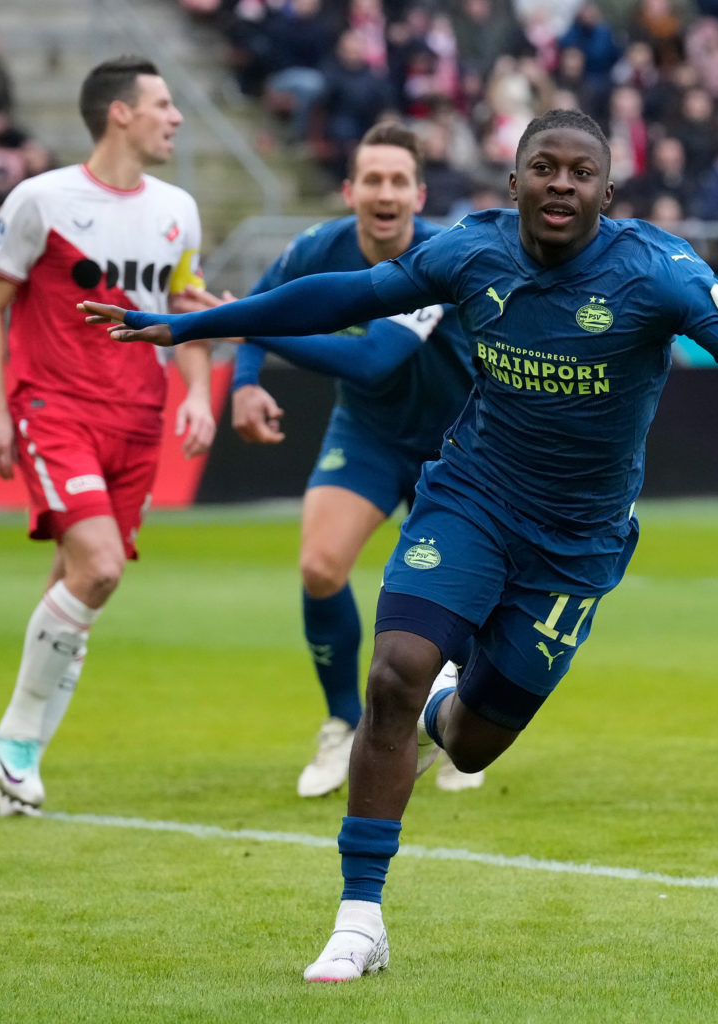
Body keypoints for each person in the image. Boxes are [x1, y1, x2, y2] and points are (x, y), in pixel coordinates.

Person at [82, 108, 718, 983]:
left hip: (578, 542)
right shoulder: (471, 251)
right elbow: (350, 298)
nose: (561, 184)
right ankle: (358, 918)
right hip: (472, 498)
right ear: (514, 179)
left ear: (610, 193)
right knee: (394, 670)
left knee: (472, 744)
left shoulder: (659, 273)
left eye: (582, 173)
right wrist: (192, 324)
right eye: (545, 168)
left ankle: (456, 701)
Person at [0, 55, 215, 816]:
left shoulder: (179, 209)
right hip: (57, 409)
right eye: (163, 104)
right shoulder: (42, 200)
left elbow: (186, 309)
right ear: (120, 112)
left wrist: (200, 393)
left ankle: (18, 773)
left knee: (77, 581)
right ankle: (14, 739)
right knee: (100, 568)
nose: (176, 118)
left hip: (138, 421)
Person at [217, 120, 483, 797]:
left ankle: (455, 722)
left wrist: (245, 324)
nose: (385, 192)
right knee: (319, 565)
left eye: (399, 180)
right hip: (367, 434)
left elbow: (371, 359)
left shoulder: (439, 256)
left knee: (461, 592)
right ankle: (342, 725)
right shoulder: (318, 246)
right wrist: (245, 383)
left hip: (455, 443)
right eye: (373, 179)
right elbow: (264, 305)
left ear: (419, 194)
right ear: (350, 189)